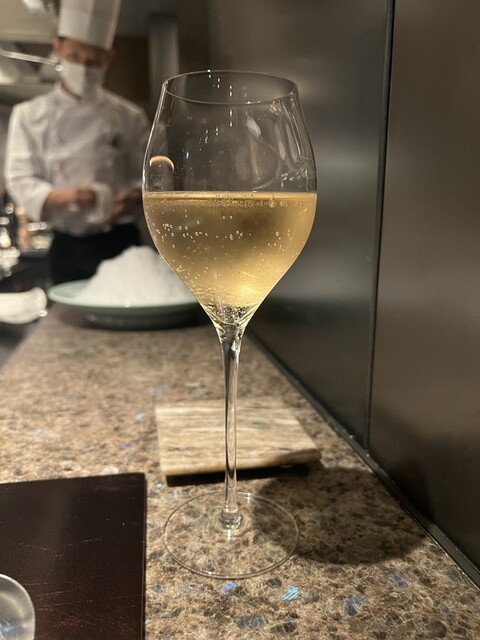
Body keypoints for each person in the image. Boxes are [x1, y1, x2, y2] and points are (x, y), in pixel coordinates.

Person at [4, 0, 150, 284]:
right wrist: (70, 197)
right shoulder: (29, 115)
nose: (83, 67)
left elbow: (151, 178)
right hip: (68, 246)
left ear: (108, 59)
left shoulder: (130, 116)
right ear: (57, 48)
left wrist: (131, 198)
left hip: (122, 242)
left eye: (93, 61)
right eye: (74, 55)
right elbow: (19, 178)